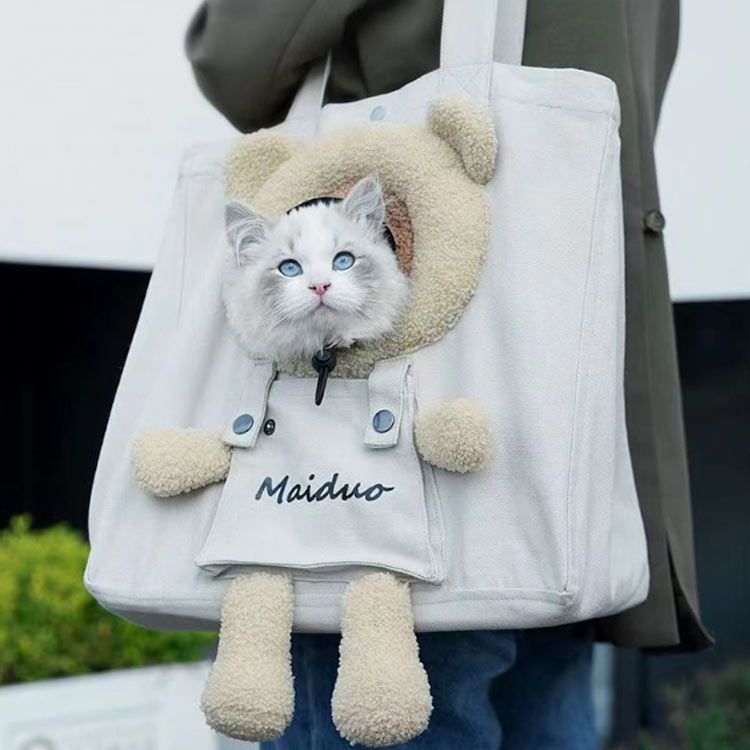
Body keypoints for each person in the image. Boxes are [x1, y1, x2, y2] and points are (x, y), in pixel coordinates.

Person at [184, 1, 712, 746]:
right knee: (538, 676)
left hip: (404, 403)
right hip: (566, 389)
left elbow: (236, 59)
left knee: (396, 690)